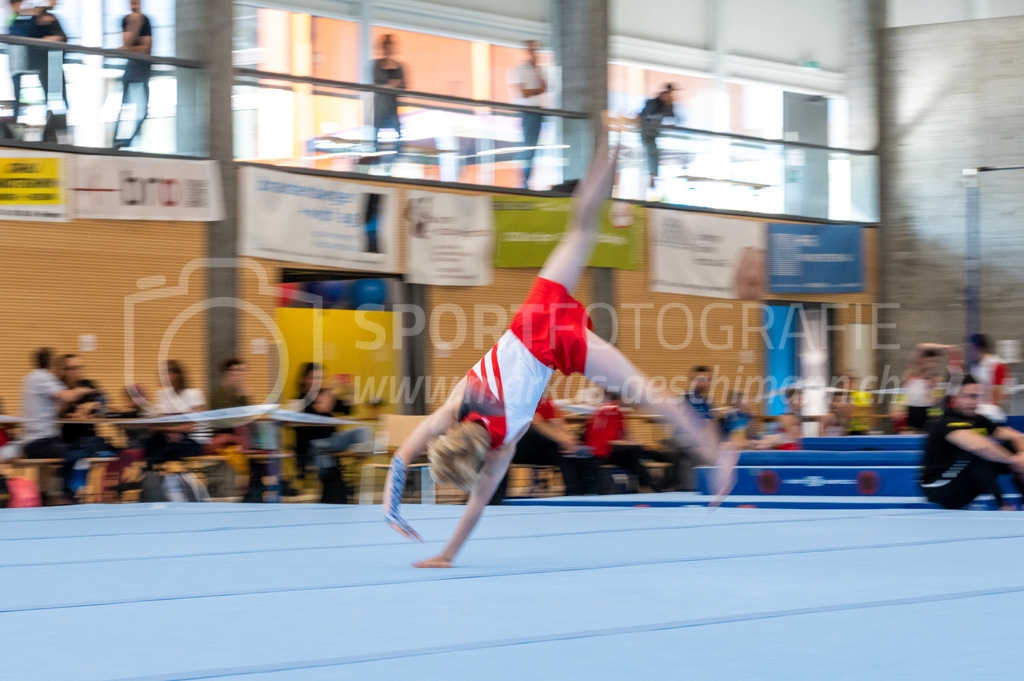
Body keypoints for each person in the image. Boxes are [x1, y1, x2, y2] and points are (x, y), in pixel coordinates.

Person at [383, 123, 738, 567]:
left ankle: (716, 455)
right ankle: (608, 145)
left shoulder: (502, 448)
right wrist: (389, 505)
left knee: (647, 392)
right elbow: (401, 456)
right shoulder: (456, 406)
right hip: (532, 315)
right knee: (581, 230)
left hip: (556, 347)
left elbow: (476, 507)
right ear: (451, 437)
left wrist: (447, 554)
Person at [921, 375, 1024, 510]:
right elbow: (977, 446)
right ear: (956, 397)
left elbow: (1015, 436)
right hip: (939, 489)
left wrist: (1021, 454)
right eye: (967, 396)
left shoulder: (978, 419)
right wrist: (1013, 460)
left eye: (975, 397)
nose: (972, 402)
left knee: (1012, 447)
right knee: (979, 454)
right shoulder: (946, 421)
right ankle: (1001, 505)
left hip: (962, 481)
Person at [488, 391, 590, 504]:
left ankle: (577, 493)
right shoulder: (525, 400)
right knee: (535, 433)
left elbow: (560, 425)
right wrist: (561, 441)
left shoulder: (547, 402)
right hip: (521, 447)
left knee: (565, 453)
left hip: (539, 449)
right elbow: (538, 424)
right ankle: (496, 497)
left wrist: (571, 441)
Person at [583, 390, 663, 494]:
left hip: (596, 453)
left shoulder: (598, 409)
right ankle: (653, 483)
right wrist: (634, 444)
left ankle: (647, 485)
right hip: (604, 453)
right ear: (621, 399)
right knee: (636, 451)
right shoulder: (616, 410)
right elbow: (614, 441)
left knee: (634, 461)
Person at [112, 0, 153, 149]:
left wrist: (128, 48)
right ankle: (117, 141)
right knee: (124, 106)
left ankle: (129, 141)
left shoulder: (146, 21)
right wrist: (134, 27)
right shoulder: (126, 20)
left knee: (143, 110)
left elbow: (145, 49)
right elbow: (127, 45)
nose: (134, 5)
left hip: (143, 68)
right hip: (131, 66)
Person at [510, 39, 547, 188]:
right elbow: (523, 93)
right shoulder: (519, 70)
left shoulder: (538, 70)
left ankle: (527, 181)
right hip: (528, 112)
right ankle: (524, 183)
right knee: (528, 147)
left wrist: (536, 70)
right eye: (532, 50)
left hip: (537, 112)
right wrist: (536, 90)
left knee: (533, 147)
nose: (535, 53)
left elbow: (544, 87)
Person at [371, 34, 406, 170]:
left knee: (398, 131)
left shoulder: (399, 66)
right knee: (377, 133)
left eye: (390, 46)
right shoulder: (377, 65)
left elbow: (402, 85)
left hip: (392, 105)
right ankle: (378, 158)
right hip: (381, 106)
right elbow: (377, 84)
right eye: (386, 46)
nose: (388, 49)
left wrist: (388, 85)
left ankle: (393, 161)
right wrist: (391, 84)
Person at [637, 83, 681, 189]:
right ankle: (651, 175)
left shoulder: (666, 105)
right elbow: (644, 115)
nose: (670, 97)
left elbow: (674, 118)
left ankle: (653, 175)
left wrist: (669, 105)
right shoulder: (653, 103)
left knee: (653, 152)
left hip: (653, 132)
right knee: (650, 151)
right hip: (646, 131)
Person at [970, 333, 1010, 423]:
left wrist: (989, 409)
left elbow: (999, 392)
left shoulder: (996, 365)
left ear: (977, 348)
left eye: (970, 349)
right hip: (979, 411)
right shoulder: (976, 367)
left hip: (991, 414)